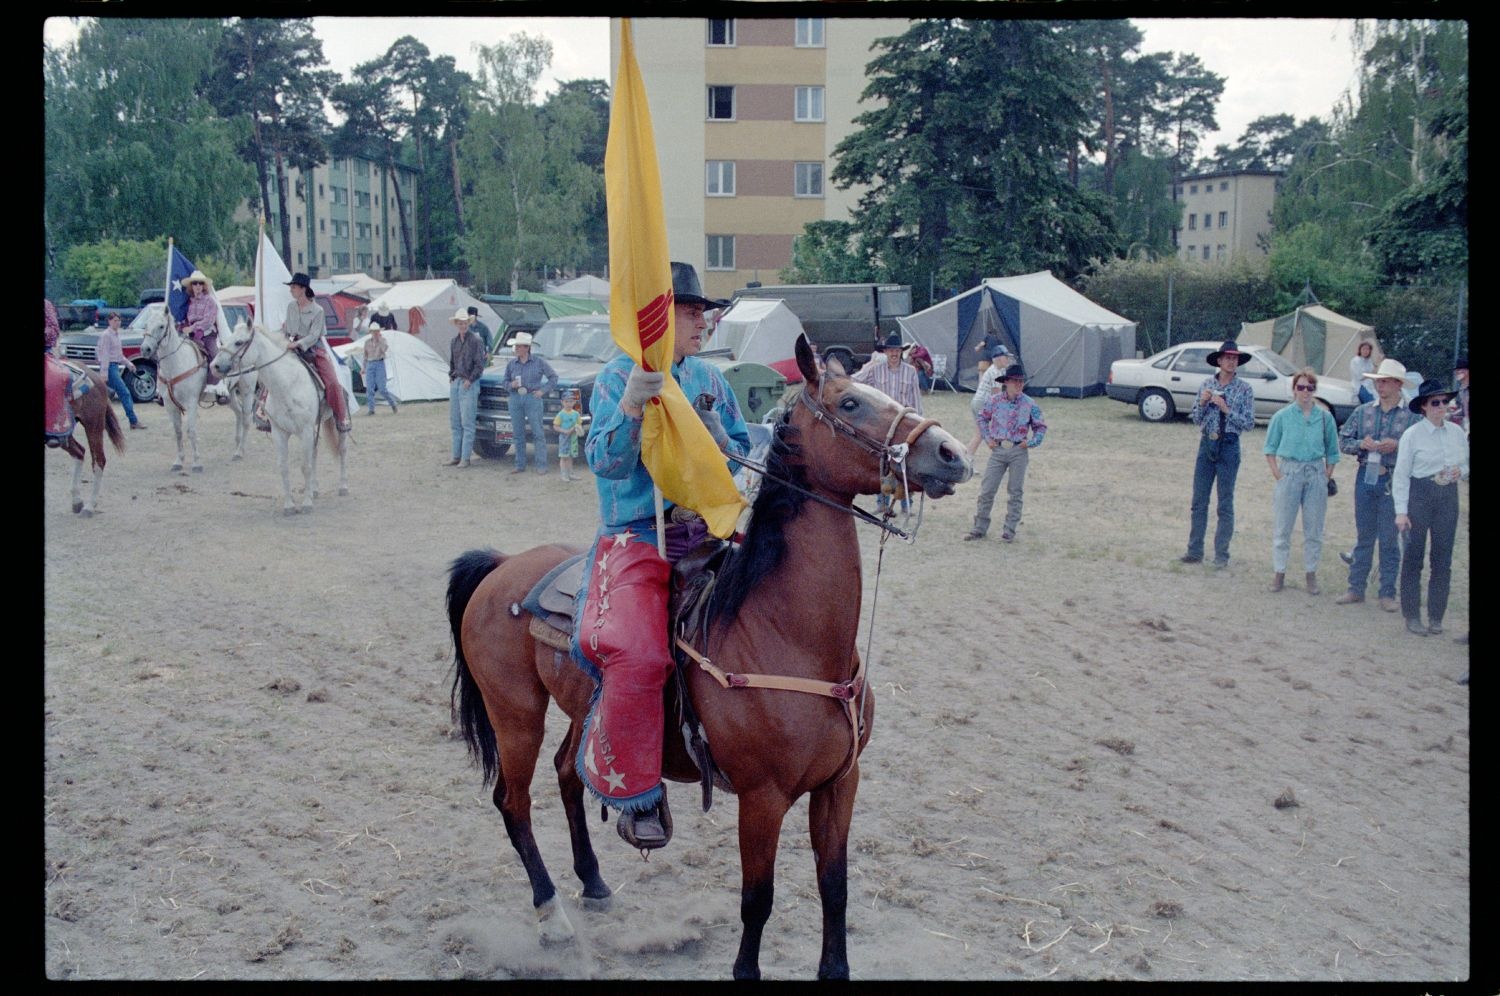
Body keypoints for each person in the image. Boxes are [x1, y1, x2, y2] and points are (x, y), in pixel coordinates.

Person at [574, 261, 751, 849]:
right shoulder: (614, 378)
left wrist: (721, 439)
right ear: (657, 318)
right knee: (640, 656)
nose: (704, 321)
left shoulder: (707, 377)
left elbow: (744, 452)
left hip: (707, 531)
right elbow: (603, 462)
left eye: (704, 312)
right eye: (691, 311)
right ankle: (639, 793)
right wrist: (628, 410)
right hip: (637, 535)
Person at [1334, 359, 1419, 611]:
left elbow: (1418, 451)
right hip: (1366, 477)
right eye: (1377, 381)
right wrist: (1362, 444)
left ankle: (1387, 592)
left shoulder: (1411, 417)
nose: (1379, 386)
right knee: (1365, 535)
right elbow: (1343, 439)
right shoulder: (1364, 411)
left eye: (1384, 381)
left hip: (1394, 480)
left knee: (1390, 537)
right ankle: (1355, 588)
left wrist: (1398, 445)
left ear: (1397, 384)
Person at [1394, 379, 1469, 637]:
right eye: (1435, 403)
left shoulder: (1457, 433)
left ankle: (1436, 616)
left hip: (1447, 496)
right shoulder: (1412, 435)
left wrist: (1461, 471)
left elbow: (1467, 464)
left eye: (1445, 402)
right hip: (1420, 495)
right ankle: (1412, 616)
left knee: (1442, 558)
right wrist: (1401, 512)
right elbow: (1401, 475)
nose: (1441, 407)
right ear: (1424, 407)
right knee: (1414, 558)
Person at [1262, 369, 1340, 594]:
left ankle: (1311, 574)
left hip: (1316, 472)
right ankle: (1279, 573)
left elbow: (1333, 451)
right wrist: (1278, 474)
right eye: (1301, 387)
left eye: (1310, 388)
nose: (1305, 392)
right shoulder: (1282, 417)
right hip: (1290, 471)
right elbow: (1270, 448)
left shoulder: (1325, 418)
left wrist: (1326, 475)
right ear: (1294, 389)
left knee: (1314, 528)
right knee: (1282, 526)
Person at [1180, 340, 1256, 568]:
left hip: (1229, 445)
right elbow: (1196, 418)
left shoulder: (1244, 389)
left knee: (1225, 503)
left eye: (1235, 359)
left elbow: (1249, 423)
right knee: (1199, 501)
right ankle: (1194, 551)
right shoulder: (1206, 384)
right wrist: (1203, 403)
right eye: (1228, 358)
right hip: (1207, 444)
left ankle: (1221, 555)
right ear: (1219, 360)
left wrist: (1226, 409)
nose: (1232, 362)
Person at [963, 363, 1046, 543]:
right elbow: (982, 418)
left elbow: (1040, 427)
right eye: (1015, 381)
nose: (1019, 385)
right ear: (1006, 382)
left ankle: (1009, 530)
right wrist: (987, 438)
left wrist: (1031, 442)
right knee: (987, 490)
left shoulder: (1029, 403)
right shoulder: (994, 401)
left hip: (1018, 450)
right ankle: (979, 528)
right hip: (998, 449)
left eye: (1021, 382)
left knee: (1015, 491)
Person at [283, 272, 352, 433]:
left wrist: (298, 344)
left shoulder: (318, 310)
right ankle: (264, 415)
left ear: (303, 289)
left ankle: (342, 417)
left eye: (293, 287)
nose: (291, 290)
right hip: (291, 345)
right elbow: (288, 329)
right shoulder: (291, 307)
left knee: (333, 382)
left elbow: (314, 335)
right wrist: (285, 341)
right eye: (291, 287)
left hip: (314, 348)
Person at [502, 330, 559, 475]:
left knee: (538, 432)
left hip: (532, 397)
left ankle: (541, 465)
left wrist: (542, 391)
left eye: (519, 346)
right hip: (516, 397)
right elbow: (504, 382)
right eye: (516, 347)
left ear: (526, 348)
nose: (516, 349)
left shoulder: (539, 362)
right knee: (517, 432)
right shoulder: (511, 364)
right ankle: (520, 464)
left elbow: (553, 377)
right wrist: (511, 385)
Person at [446, 309, 486, 468]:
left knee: (467, 423)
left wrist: (470, 379)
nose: (462, 325)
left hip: (469, 382)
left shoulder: (476, 340)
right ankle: (456, 456)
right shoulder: (454, 341)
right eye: (460, 323)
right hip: (457, 381)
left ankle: (465, 458)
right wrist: (451, 375)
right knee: (455, 422)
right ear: (456, 324)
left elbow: (479, 364)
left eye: (464, 323)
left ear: (468, 323)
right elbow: (452, 362)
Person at [95, 311, 145, 430]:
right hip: (110, 368)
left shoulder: (116, 335)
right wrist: (104, 373)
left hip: (115, 366)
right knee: (124, 393)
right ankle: (133, 420)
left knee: (108, 395)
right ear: (109, 321)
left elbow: (118, 355)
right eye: (114, 321)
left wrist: (129, 364)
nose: (117, 323)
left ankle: (104, 421)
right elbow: (105, 355)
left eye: (118, 320)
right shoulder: (106, 335)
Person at [852, 333, 924, 415]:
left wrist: (919, 418)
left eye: (897, 351)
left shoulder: (911, 371)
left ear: (901, 352)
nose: (894, 354)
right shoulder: (875, 370)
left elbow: (916, 398)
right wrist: (868, 366)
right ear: (885, 352)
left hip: (904, 416)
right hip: (883, 416)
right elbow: (855, 381)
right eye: (891, 351)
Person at [967, 344, 1011, 456]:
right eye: (1006, 357)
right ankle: (1000, 458)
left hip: (979, 403)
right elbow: (997, 395)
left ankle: (967, 459)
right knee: (983, 433)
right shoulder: (995, 372)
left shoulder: (997, 371)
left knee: (980, 434)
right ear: (999, 358)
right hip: (981, 404)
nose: (1008, 360)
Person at [180, 270, 220, 377]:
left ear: (204, 286)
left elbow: (208, 321)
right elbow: (186, 320)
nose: (198, 285)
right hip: (191, 336)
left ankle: (218, 384)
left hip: (207, 335)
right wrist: (183, 327)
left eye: (200, 283)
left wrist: (192, 328)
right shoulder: (189, 303)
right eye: (195, 283)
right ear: (191, 286)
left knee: (216, 357)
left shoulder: (210, 301)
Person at [362, 322, 399, 415]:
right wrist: (363, 367)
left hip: (379, 363)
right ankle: (371, 409)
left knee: (382, 388)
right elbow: (365, 356)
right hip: (370, 364)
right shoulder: (367, 342)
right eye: (373, 332)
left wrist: (379, 340)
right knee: (369, 388)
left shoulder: (383, 340)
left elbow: (384, 349)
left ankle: (393, 404)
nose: (375, 333)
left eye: (376, 331)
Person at [552, 388, 583, 481]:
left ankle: (571, 473)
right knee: (564, 456)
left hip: (573, 438)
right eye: (566, 401)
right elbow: (555, 426)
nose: (569, 404)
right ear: (562, 402)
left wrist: (578, 429)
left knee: (570, 456)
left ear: (574, 402)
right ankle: (564, 474)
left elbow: (579, 424)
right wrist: (565, 431)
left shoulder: (576, 414)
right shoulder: (560, 414)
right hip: (564, 438)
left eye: (571, 401)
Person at [1451, 355, 1469, 429]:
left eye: (1460, 369)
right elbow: (1464, 409)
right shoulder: (1461, 389)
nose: (1456, 372)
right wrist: (1450, 415)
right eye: (1456, 370)